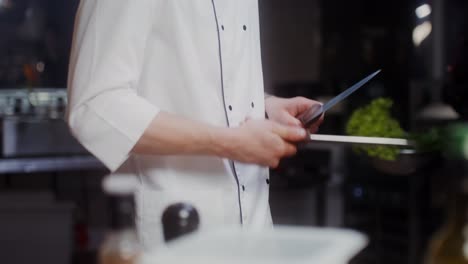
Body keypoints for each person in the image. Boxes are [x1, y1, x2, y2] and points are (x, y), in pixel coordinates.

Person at [67, 0, 323, 249]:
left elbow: (215, 84)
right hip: (176, 235)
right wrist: (228, 142)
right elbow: (94, 105)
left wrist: (265, 106)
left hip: (257, 232)